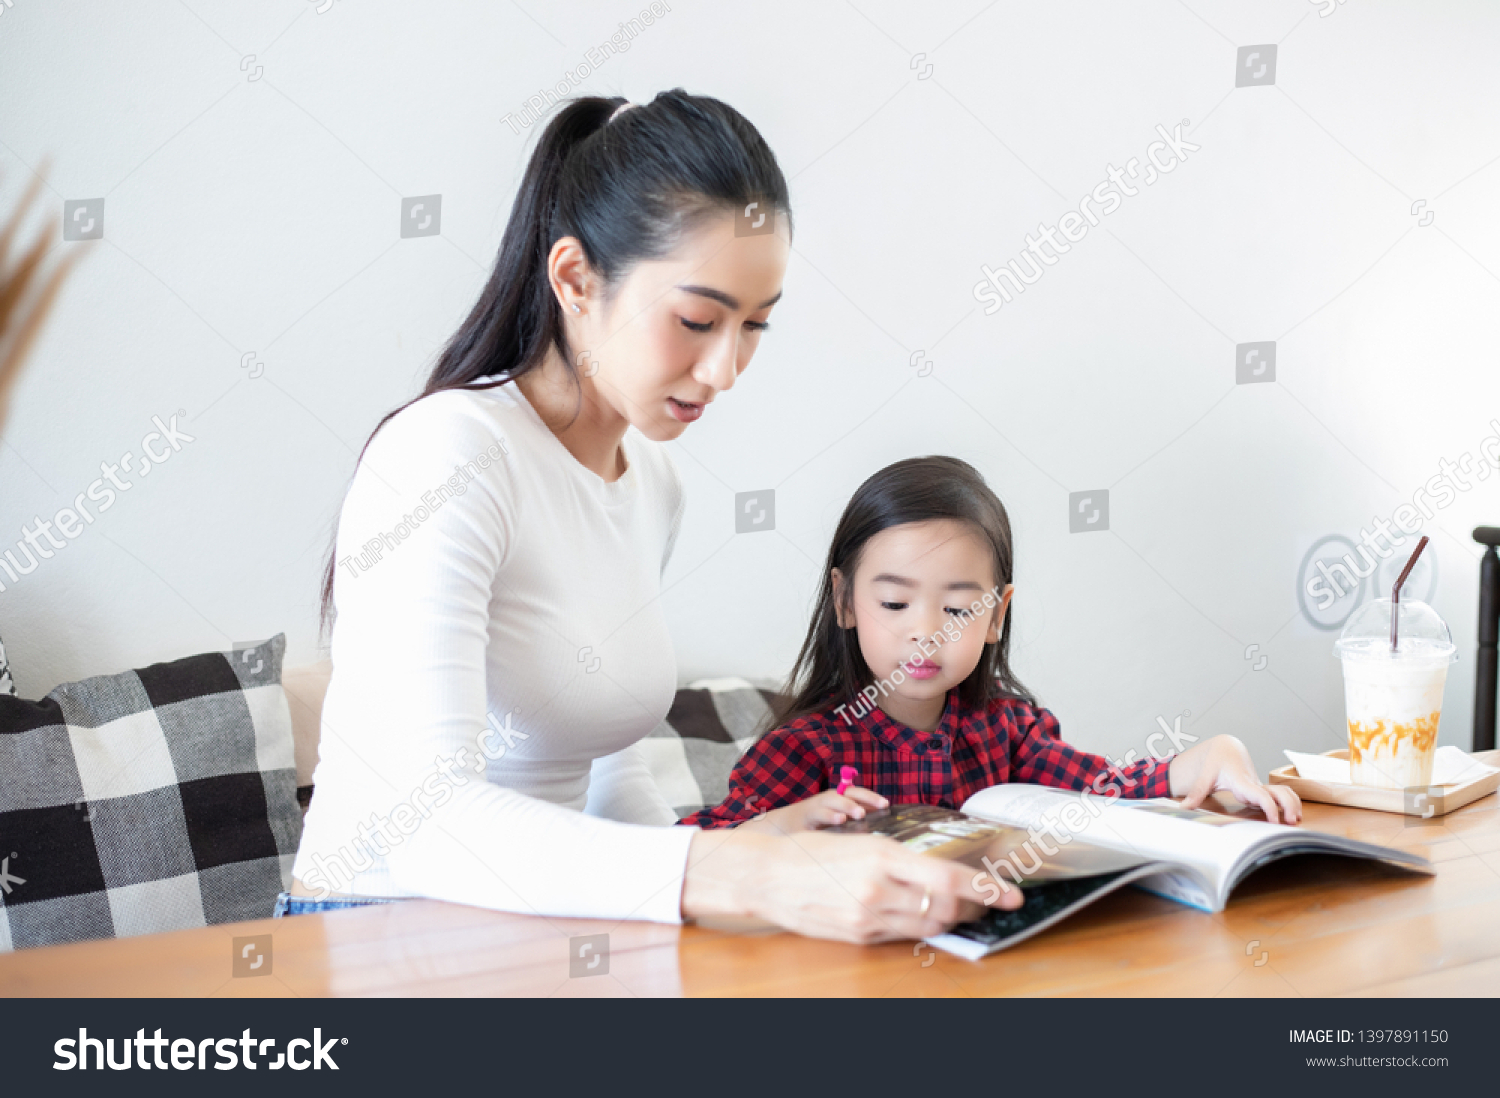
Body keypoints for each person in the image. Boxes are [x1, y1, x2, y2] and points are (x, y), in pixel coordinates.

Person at [280, 91, 1016, 944]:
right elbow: (419, 820)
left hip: (546, 934)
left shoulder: (652, 481)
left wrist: (745, 841)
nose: (726, 368)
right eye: (698, 319)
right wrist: (737, 874)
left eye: (754, 326)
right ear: (574, 279)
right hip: (375, 938)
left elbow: (605, 778)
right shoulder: (447, 457)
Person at [679, 456, 1303, 832]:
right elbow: (687, 851)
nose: (927, 630)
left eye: (957, 608)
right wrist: (774, 830)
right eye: (894, 603)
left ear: (996, 614)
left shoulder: (1009, 729)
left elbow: (1099, 790)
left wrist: (1201, 760)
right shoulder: (802, 751)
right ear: (845, 601)